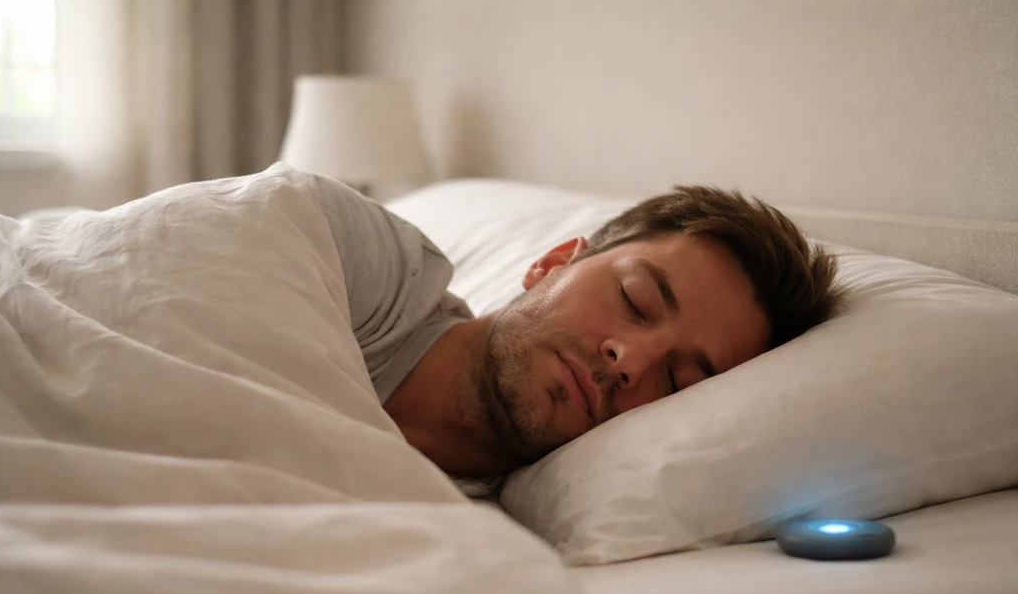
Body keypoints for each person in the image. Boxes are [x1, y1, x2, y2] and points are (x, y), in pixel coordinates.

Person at [310, 175, 842, 491]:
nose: (630, 360)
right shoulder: (349, 254)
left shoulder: (468, 536)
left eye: (677, 381)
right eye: (635, 299)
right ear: (553, 262)